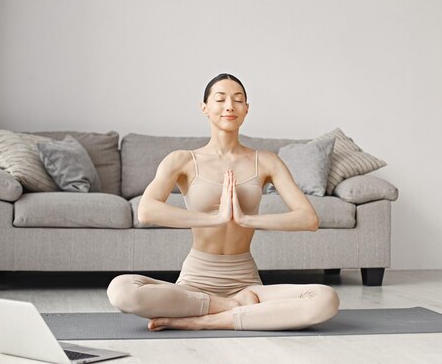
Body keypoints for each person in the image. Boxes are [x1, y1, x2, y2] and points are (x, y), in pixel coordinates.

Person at [107, 73, 340, 331]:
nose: (229, 105)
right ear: (204, 108)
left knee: (325, 299)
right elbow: (147, 211)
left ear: (246, 109)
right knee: (122, 291)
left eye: (238, 99)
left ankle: (202, 321)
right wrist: (215, 218)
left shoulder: (266, 161)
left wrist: (247, 219)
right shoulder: (182, 160)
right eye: (220, 99)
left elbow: (308, 219)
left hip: (246, 283)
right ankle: (233, 309)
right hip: (195, 283)